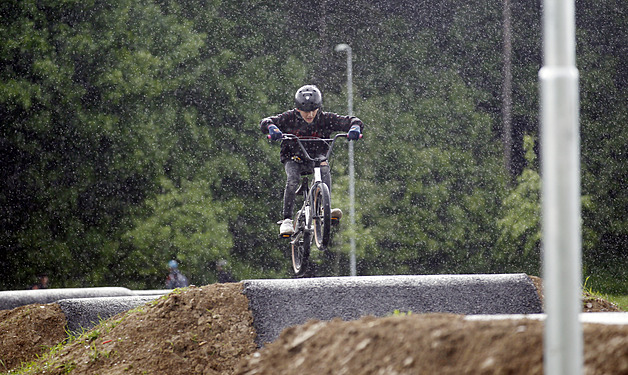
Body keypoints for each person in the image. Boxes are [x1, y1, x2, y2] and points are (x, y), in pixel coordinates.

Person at [260, 84, 364, 236]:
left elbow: (353, 120)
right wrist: (272, 128)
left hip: (316, 158)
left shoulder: (326, 119)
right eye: (305, 112)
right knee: (293, 180)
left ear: (319, 108)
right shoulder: (289, 118)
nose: (309, 115)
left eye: (313, 111)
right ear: (297, 110)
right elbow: (266, 122)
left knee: (324, 167)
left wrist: (355, 128)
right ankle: (287, 220)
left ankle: (324, 208)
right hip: (293, 157)